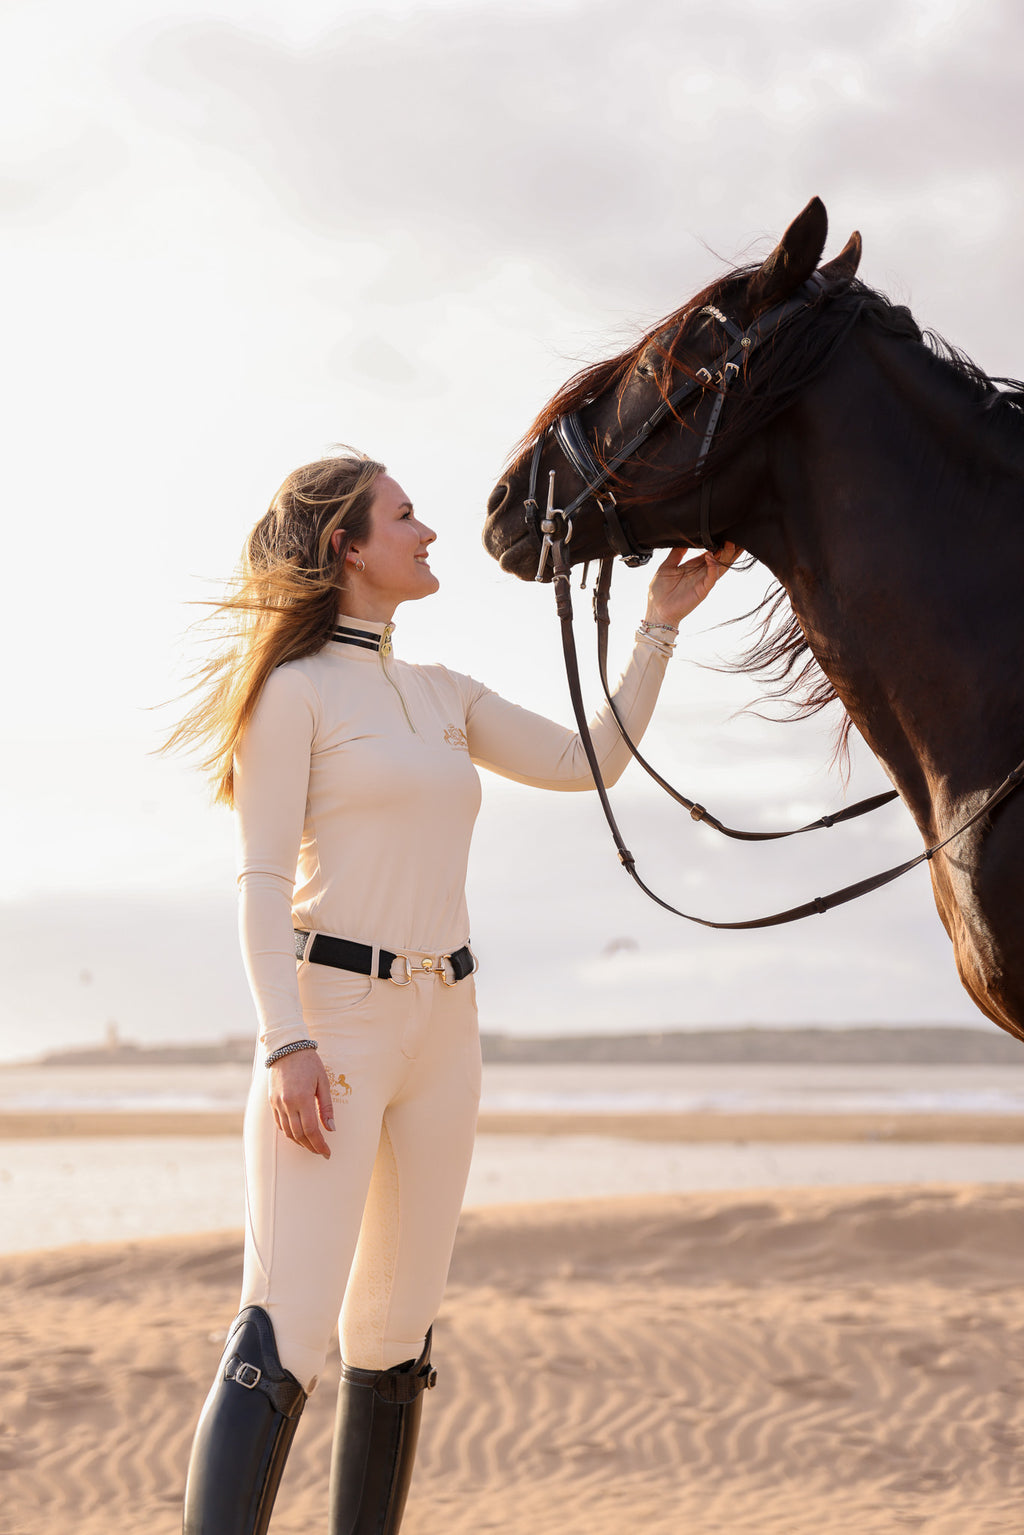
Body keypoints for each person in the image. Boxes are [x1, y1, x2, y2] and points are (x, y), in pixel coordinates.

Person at [170, 450, 737, 1535]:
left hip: (447, 1029)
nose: (429, 531)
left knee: (393, 1338)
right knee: (282, 1336)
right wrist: (283, 1040)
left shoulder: (443, 694)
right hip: (329, 1027)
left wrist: (660, 623)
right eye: (405, 514)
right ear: (347, 544)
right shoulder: (292, 694)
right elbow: (255, 880)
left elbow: (588, 761)